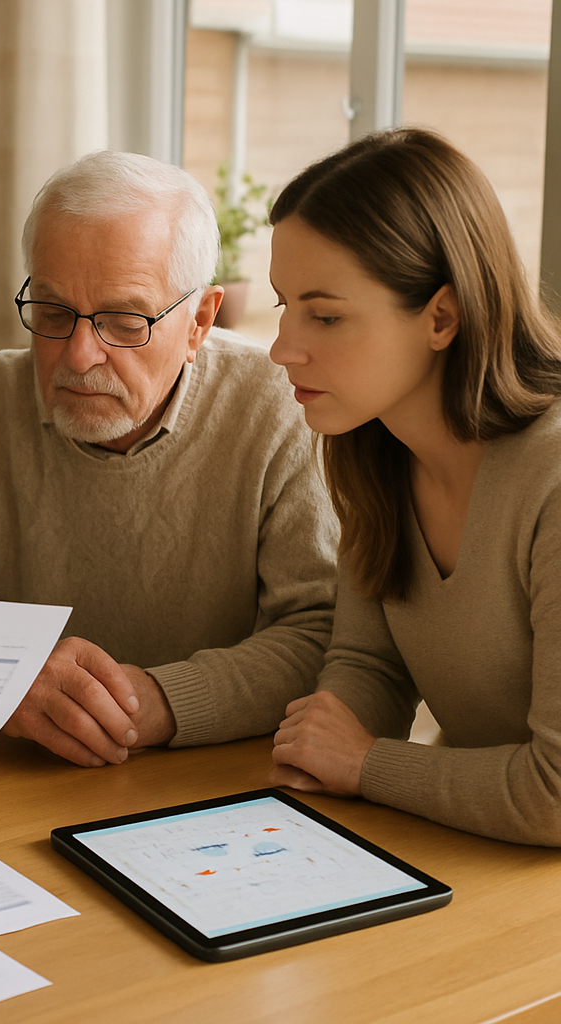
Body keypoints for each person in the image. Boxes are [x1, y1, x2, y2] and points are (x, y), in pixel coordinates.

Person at [0, 150, 338, 767]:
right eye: (51, 313)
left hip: (213, 780)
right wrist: (2, 683)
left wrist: (155, 701)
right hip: (16, 776)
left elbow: (319, 633)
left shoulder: (277, 403)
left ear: (199, 322)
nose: (77, 356)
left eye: (124, 322)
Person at [267, 127, 561, 846]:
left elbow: (555, 794)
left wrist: (363, 764)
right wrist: (317, 752)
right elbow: (372, 660)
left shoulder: (552, 481)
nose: (282, 350)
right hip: (482, 850)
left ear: (441, 316)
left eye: (326, 315)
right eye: (284, 306)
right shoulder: (375, 449)